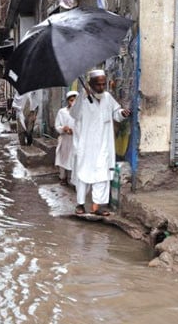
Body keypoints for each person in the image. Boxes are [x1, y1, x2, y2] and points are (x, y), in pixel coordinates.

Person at [69, 70, 130, 216]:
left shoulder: (107, 97)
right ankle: (80, 204)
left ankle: (98, 206)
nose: (101, 87)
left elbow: (115, 112)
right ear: (90, 84)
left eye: (104, 84)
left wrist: (122, 113)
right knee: (83, 174)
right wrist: (82, 97)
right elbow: (74, 115)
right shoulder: (82, 100)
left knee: (102, 174)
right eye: (98, 85)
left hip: (104, 144)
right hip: (86, 145)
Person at [54, 90, 78, 186]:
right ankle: (63, 177)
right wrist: (63, 128)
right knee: (63, 159)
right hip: (65, 140)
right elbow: (57, 125)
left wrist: (75, 131)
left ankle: (73, 180)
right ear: (68, 101)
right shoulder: (62, 112)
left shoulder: (80, 113)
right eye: (71, 100)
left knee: (74, 159)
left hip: (75, 139)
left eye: (75, 100)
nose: (73, 103)